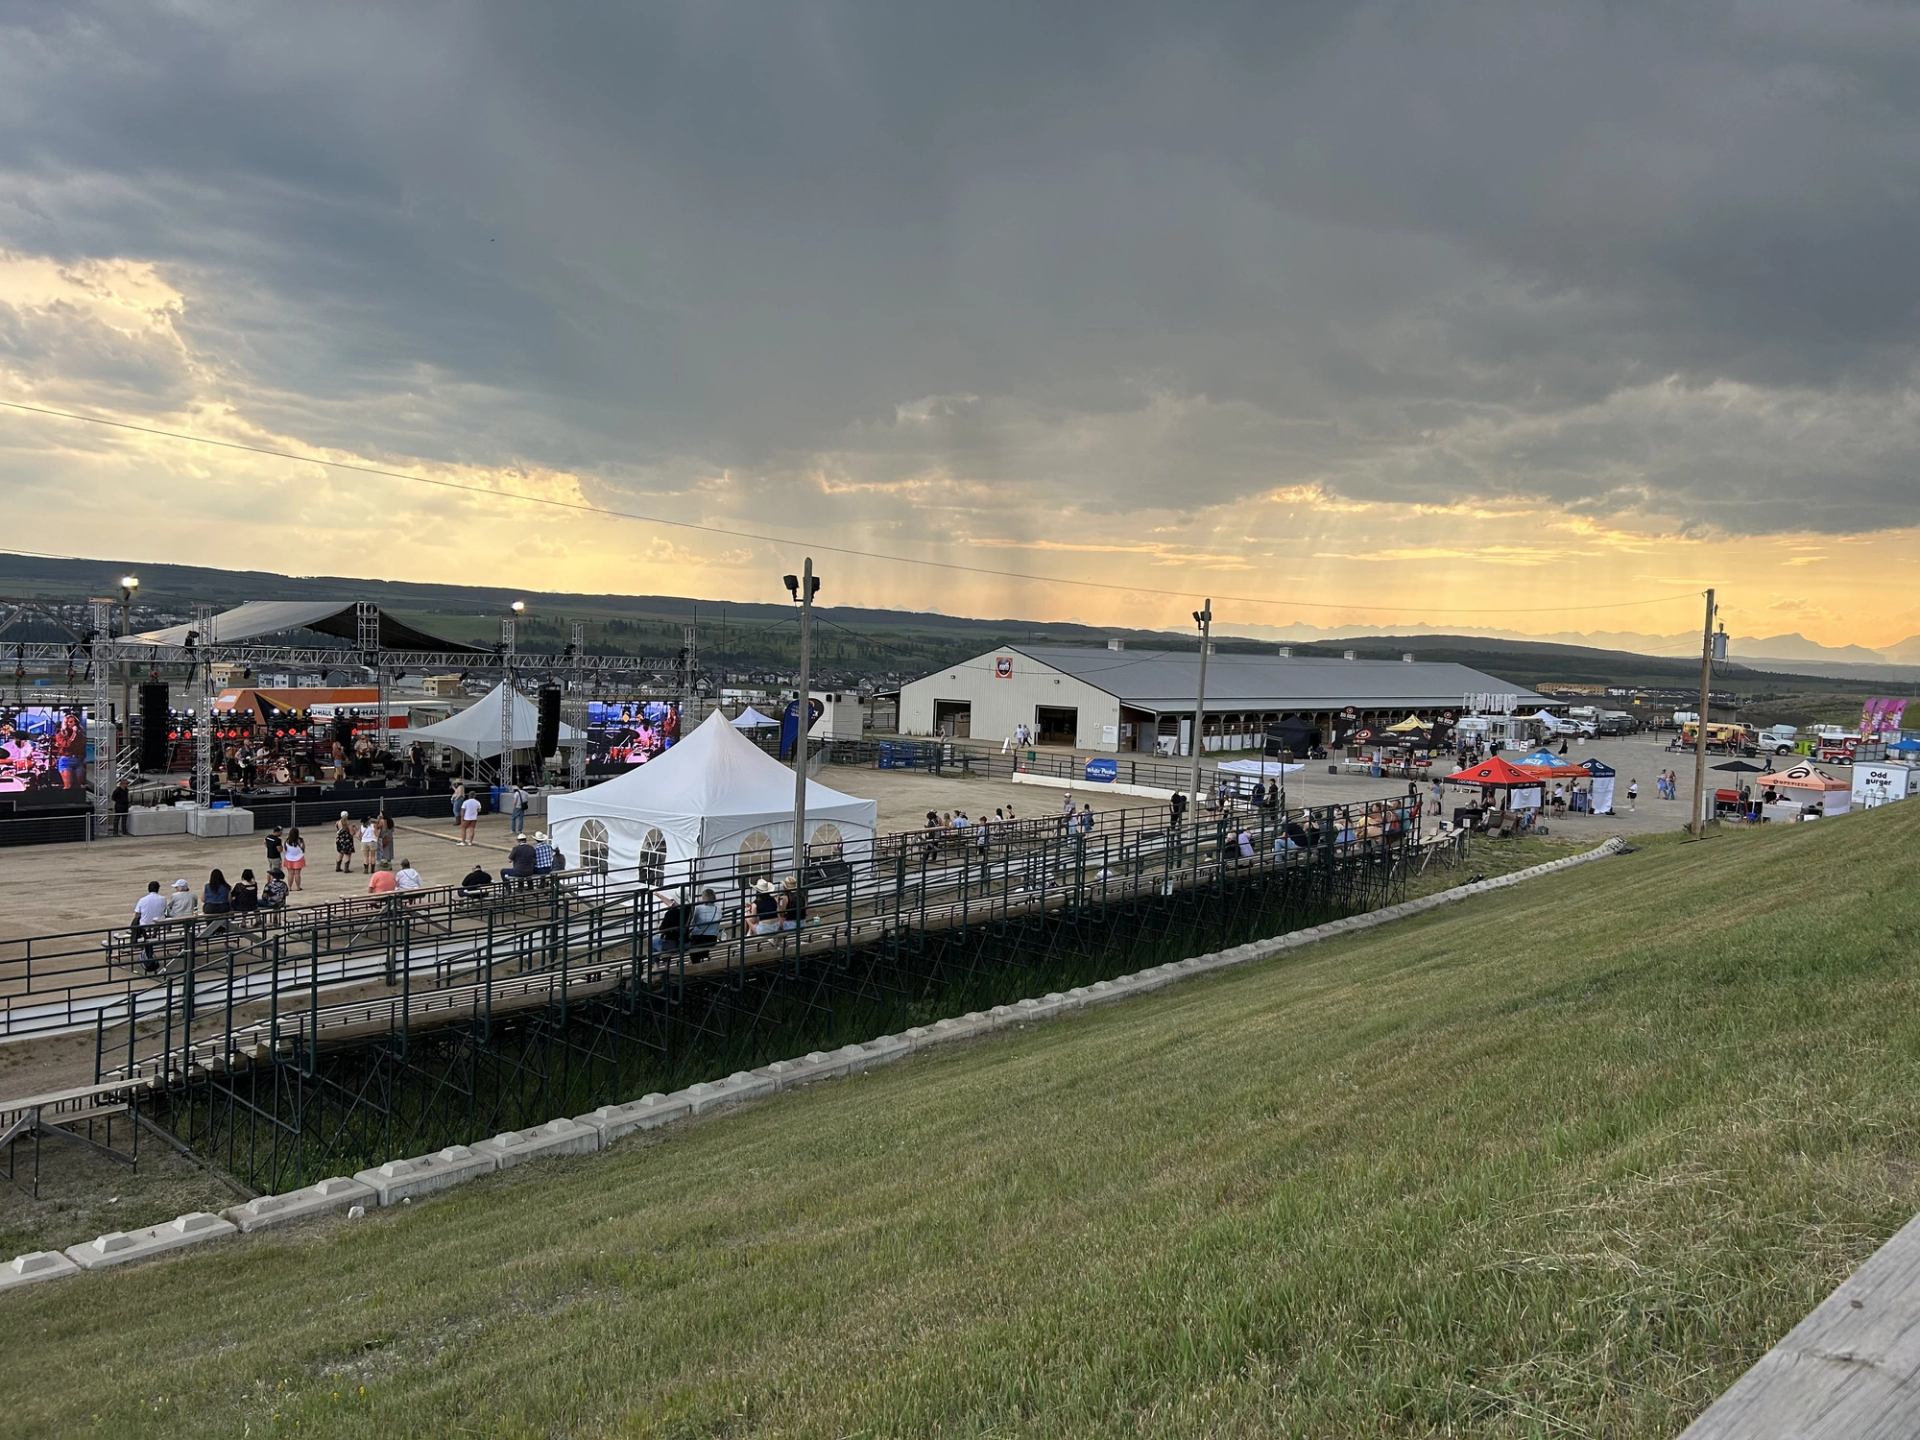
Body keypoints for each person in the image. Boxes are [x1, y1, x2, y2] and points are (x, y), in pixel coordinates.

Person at [132, 880, 168, 973]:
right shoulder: (163, 899)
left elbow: (137, 914)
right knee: (157, 922)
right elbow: (165, 911)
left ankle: (138, 940)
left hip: (145, 926)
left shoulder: (142, 900)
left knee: (137, 922)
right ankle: (152, 937)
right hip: (158, 925)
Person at [201, 868, 233, 940]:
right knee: (222, 916)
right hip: (223, 907)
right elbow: (229, 900)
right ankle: (220, 928)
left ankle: (210, 929)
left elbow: (203, 899)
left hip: (210, 907)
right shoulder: (226, 887)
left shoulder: (207, 886)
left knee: (209, 914)